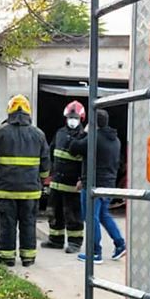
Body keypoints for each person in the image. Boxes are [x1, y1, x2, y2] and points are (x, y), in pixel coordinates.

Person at [0, 94, 51, 267]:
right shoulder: (39, 135)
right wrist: (42, 181)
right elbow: (45, 163)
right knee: (28, 223)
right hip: (30, 191)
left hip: (6, 190)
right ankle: (28, 258)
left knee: (7, 224)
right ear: (28, 112)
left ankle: (7, 257)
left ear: (9, 111)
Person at [68, 109, 126, 263]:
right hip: (108, 184)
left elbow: (73, 148)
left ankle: (95, 252)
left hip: (93, 184)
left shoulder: (93, 138)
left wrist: (84, 133)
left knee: (91, 217)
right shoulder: (115, 140)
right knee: (103, 215)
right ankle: (120, 244)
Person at [42, 101, 86, 254]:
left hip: (73, 184)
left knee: (73, 215)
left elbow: (86, 161)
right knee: (53, 212)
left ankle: (74, 243)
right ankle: (55, 240)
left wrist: (82, 179)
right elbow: (51, 152)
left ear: (81, 119)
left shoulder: (84, 137)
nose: (72, 120)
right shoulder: (60, 133)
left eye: (75, 118)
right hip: (56, 182)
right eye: (70, 117)